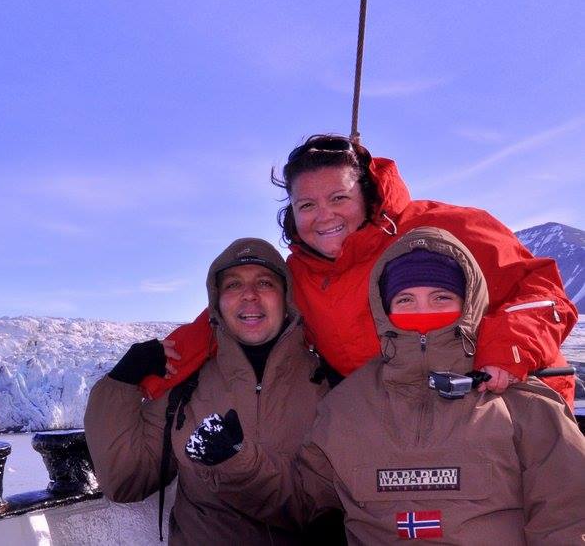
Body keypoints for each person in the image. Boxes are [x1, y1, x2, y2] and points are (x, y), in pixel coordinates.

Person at [195, 227, 585, 543]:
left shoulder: (522, 404)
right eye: (406, 300)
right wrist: (236, 462)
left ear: (469, 303)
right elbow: (303, 500)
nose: (423, 313)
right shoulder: (347, 407)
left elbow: (568, 521)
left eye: (441, 297)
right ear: (385, 309)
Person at [142, 134, 577, 406]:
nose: (323, 216)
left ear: (366, 194)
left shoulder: (444, 229)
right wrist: (146, 374)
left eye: (339, 198)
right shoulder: (301, 276)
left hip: (504, 401)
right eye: (306, 205)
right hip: (399, 419)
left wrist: (505, 352)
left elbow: (542, 291)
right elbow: (225, 325)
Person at [84, 238, 331, 545]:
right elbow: (126, 481)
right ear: (216, 302)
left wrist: (235, 463)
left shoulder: (326, 385)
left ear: (286, 297)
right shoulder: (188, 386)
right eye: (233, 285)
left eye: (265, 283)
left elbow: (328, 503)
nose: (249, 296)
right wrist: (119, 383)